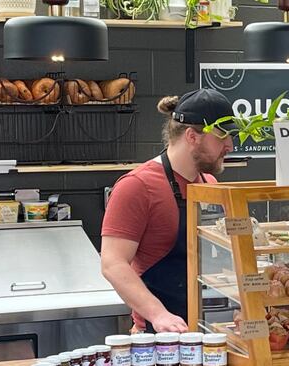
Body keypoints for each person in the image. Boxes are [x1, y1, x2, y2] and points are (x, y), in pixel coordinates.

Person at [100, 88, 235, 332]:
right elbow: (112, 263)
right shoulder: (137, 186)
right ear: (192, 136)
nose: (230, 145)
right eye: (222, 136)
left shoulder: (210, 185)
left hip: (210, 329)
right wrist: (159, 314)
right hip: (160, 337)